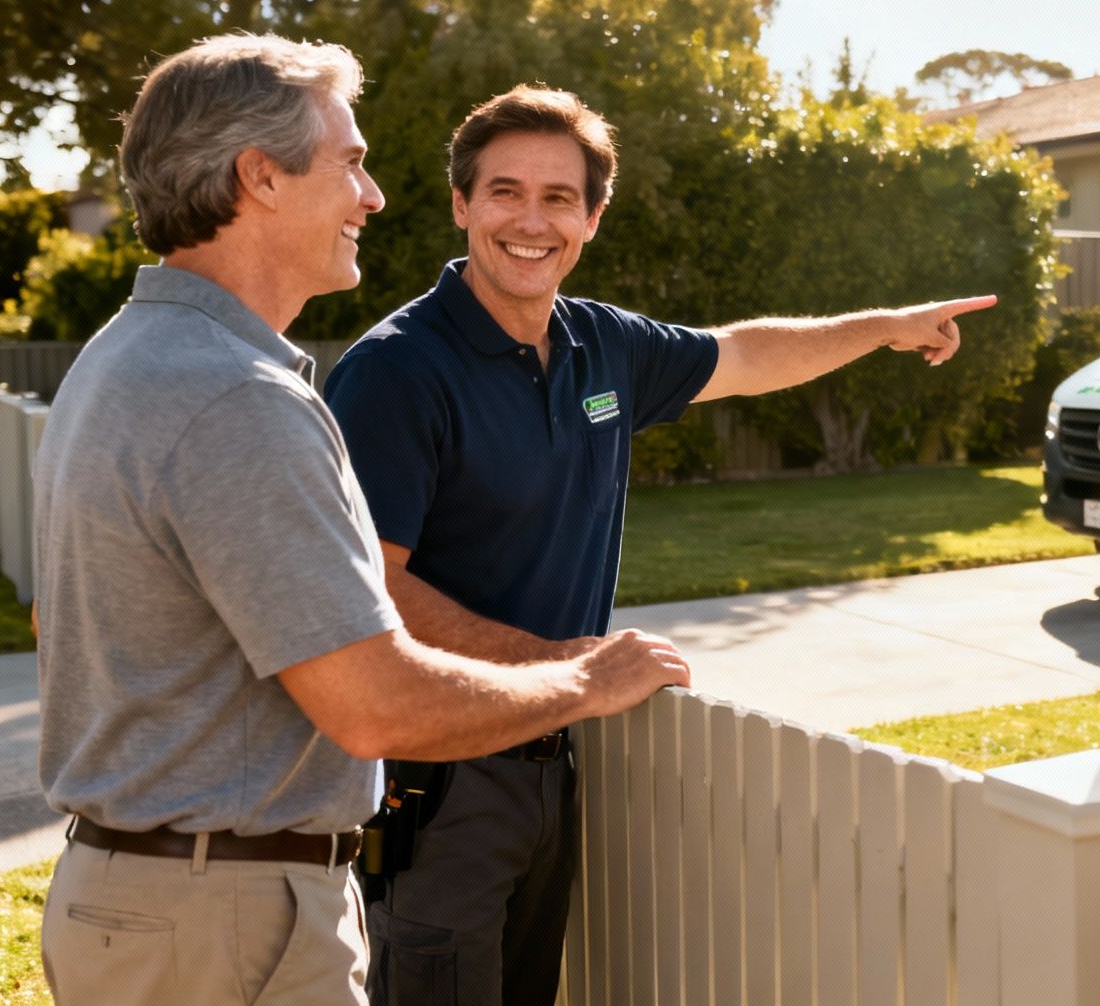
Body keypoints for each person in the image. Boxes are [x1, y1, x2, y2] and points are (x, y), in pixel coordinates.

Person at [32, 38, 691, 1006]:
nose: (374, 196)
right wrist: (583, 679)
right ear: (259, 177)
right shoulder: (235, 397)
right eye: (349, 162)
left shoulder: (120, 359)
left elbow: (59, 629)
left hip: (154, 900)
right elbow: (371, 702)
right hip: (222, 925)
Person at [323, 84, 994, 1005]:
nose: (531, 220)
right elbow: (372, 592)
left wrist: (885, 328)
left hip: (552, 763)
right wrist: (566, 670)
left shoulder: (602, 347)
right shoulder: (398, 371)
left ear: (593, 218)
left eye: (559, 198)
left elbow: (748, 354)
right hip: (439, 780)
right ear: (461, 205)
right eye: (505, 192)